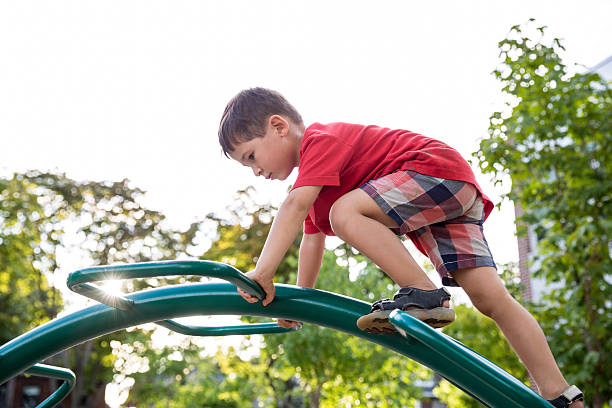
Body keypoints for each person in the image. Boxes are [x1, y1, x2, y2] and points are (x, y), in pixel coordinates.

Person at [217, 87, 584, 407]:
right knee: (490, 298)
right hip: (446, 197)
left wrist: (262, 272)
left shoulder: (319, 140)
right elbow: (312, 240)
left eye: (251, 156)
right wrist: (302, 302)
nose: (255, 171)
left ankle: (424, 294)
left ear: (278, 127)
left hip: (433, 172)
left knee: (344, 212)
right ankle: (561, 396)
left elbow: (293, 209)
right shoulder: (315, 189)